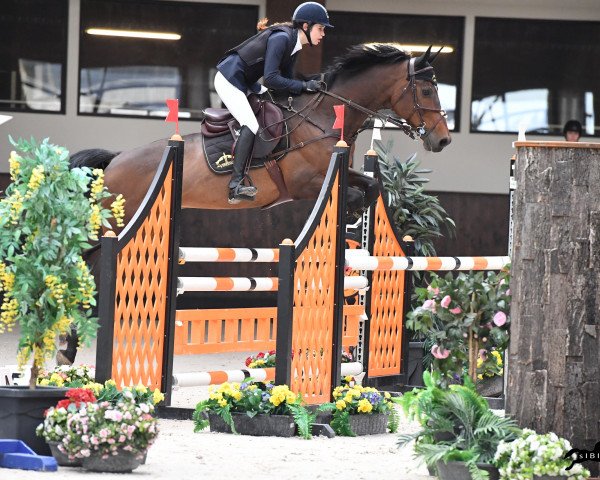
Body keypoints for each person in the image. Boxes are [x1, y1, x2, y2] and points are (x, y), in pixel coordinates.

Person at [214, 2, 333, 204]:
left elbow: (283, 85)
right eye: (320, 28)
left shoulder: (294, 45)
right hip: (229, 79)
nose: (323, 34)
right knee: (250, 124)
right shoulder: (282, 38)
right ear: (306, 26)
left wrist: (307, 89)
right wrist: (305, 86)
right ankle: (235, 185)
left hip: (247, 82)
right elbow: (271, 79)